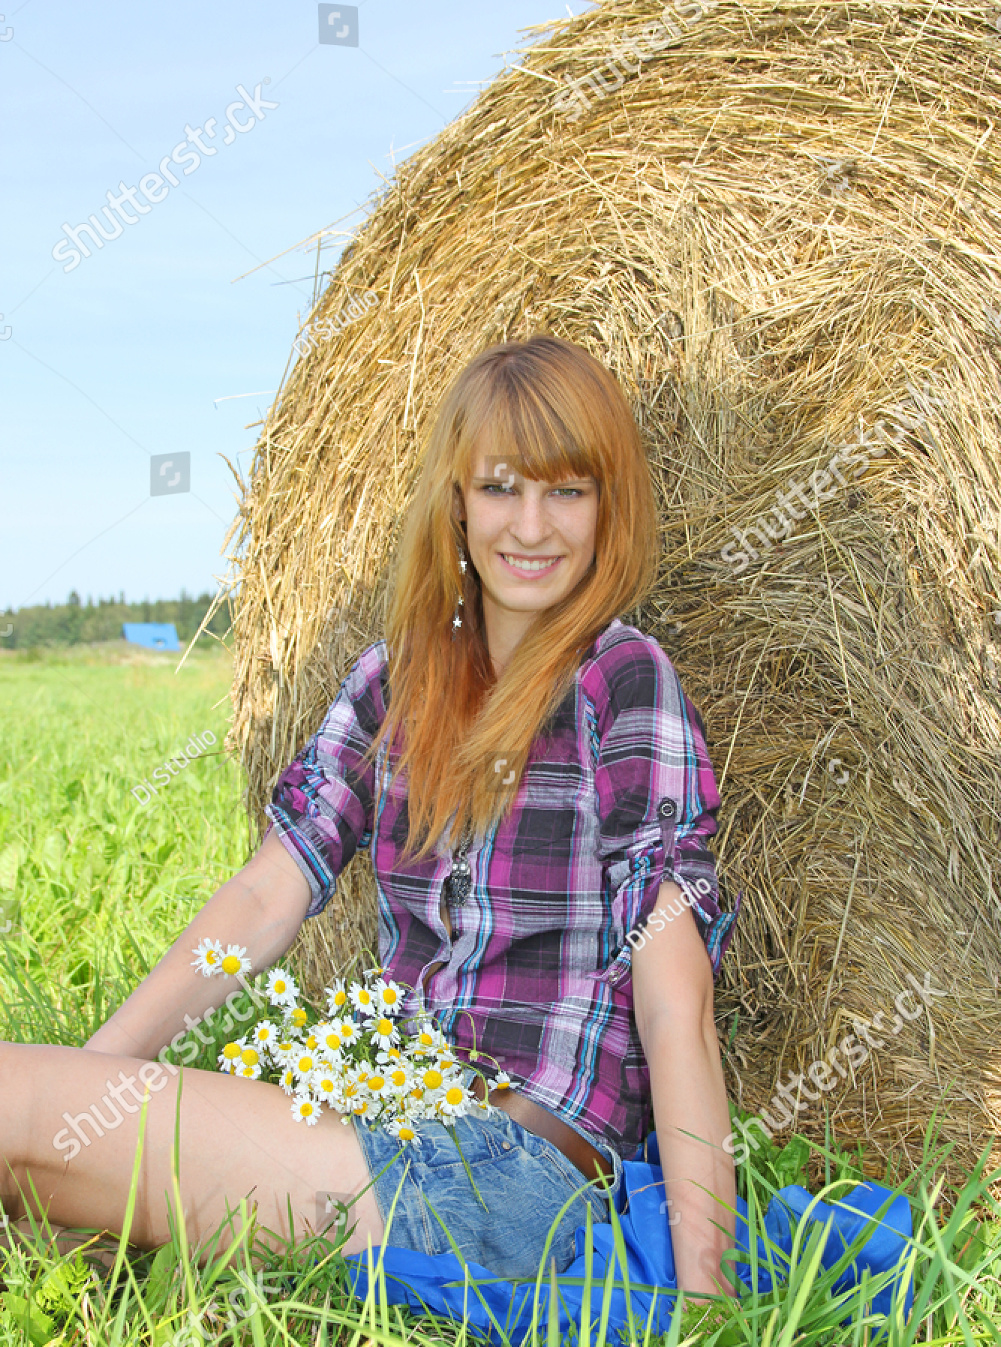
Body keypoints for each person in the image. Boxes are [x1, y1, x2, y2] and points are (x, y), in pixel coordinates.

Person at [0, 336, 739, 1298]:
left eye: (568, 490)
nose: (531, 525)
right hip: (382, 1129)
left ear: (609, 507)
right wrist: (89, 1084)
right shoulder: (394, 681)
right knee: (29, 1156)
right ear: (456, 503)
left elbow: (674, 998)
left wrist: (706, 1291)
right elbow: (271, 890)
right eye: (500, 488)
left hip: (511, 1174)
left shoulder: (622, 680)